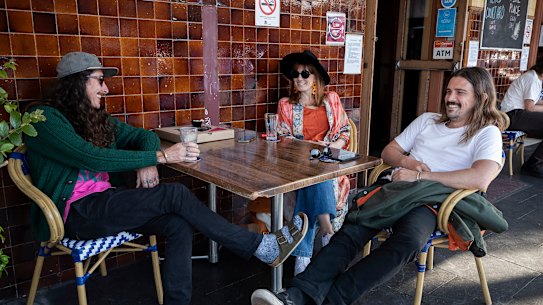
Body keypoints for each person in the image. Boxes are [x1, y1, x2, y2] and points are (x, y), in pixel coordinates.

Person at [24, 52, 309, 305]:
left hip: (107, 203)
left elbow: (144, 135)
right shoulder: (44, 118)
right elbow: (89, 157)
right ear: (77, 82)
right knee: (175, 194)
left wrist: (148, 162)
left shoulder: (92, 118)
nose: (106, 88)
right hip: (75, 213)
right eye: (100, 80)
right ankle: (260, 246)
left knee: (178, 223)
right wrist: (160, 158)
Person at [251, 66, 508, 305]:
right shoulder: (428, 120)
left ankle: (333, 299)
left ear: (481, 98)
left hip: (432, 203)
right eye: (449, 91)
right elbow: (389, 152)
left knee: (407, 242)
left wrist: (419, 177)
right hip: (394, 190)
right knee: (353, 229)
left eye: (460, 93)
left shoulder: (487, 132)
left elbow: (480, 177)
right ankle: (294, 296)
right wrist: (408, 162)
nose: (450, 98)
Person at [276, 50, 351, 275]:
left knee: (318, 175)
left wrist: (336, 143)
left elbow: (345, 130)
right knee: (313, 177)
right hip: (299, 162)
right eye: (295, 74)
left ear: (316, 77)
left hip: (329, 160)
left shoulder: (331, 100)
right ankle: (327, 228)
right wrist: (308, 148)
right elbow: (282, 137)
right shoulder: (286, 104)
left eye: (305, 74)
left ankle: (303, 254)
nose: (299, 78)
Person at [500, 63, 543, 177]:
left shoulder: (535, 78)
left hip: (517, 115)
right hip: (512, 116)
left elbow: (532, 102)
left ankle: (536, 164)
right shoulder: (532, 79)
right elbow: (530, 107)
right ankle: (534, 165)